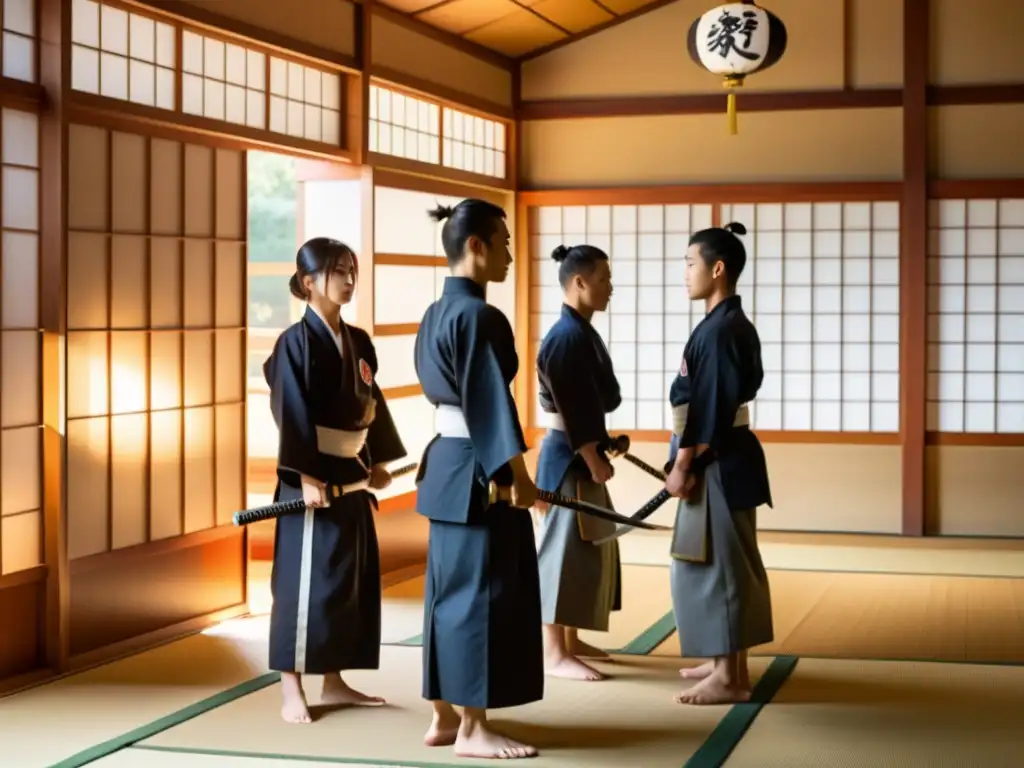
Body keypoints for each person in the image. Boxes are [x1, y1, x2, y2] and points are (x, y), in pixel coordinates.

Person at [414, 198, 542, 760]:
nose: (512, 254)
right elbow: (492, 405)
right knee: (480, 598)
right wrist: (517, 476)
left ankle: (443, 715)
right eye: (505, 242)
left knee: (447, 594)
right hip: (476, 471)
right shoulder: (480, 317)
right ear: (476, 246)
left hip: (445, 464)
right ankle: (473, 727)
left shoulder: (434, 313)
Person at [264, 237, 407, 724]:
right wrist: (304, 474)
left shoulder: (359, 341)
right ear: (308, 282)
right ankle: (291, 686)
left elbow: (371, 402)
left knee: (349, 580)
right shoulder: (294, 343)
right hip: (312, 477)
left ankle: (334, 680)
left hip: (350, 473)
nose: (349, 280)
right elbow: (291, 412)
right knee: (303, 583)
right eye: (338, 272)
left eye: (352, 270)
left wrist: (377, 456)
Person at [663, 222, 774, 706]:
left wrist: (683, 463)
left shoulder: (725, 329)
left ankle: (732, 676)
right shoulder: (722, 324)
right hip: (721, 455)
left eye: (691, 263)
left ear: (718, 268)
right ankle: (721, 660)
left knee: (725, 565)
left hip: (719, 459)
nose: (685, 272)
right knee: (711, 562)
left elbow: (710, 406)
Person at [534, 243, 622, 682]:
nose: (610, 286)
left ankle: (569, 642)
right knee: (559, 554)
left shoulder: (580, 330)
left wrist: (603, 443)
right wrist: (590, 454)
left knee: (581, 552)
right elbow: (570, 408)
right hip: (566, 458)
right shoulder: (566, 337)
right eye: (604, 278)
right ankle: (553, 652)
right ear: (579, 283)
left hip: (578, 453)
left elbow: (591, 401)